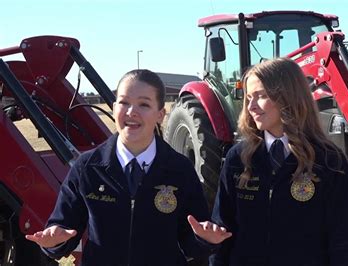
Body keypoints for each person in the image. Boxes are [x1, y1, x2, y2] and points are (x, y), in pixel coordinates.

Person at [26, 69, 231, 265]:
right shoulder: (87, 168)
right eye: (124, 102)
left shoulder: (180, 170)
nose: (132, 112)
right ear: (114, 108)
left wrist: (205, 240)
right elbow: (64, 230)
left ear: (160, 114)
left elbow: (191, 244)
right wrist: (55, 239)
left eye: (144, 104)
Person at [209, 58, 348, 265]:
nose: (251, 106)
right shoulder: (238, 158)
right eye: (248, 98)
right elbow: (222, 230)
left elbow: (343, 241)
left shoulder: (329, 161)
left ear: (289, 97)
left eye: (261, 96)